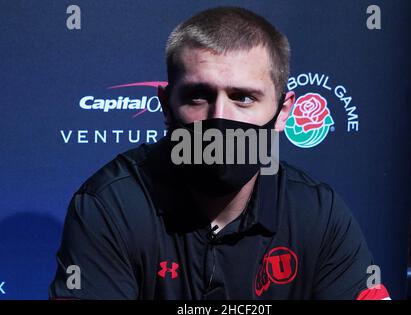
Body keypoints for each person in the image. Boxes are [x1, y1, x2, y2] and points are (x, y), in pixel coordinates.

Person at [50, 6, 390, 300]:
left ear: (283, 112)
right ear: (167, 105)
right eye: (198, 95)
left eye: (243, 97)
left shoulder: (318, 213)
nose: (220, 119)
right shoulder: (110, 206)